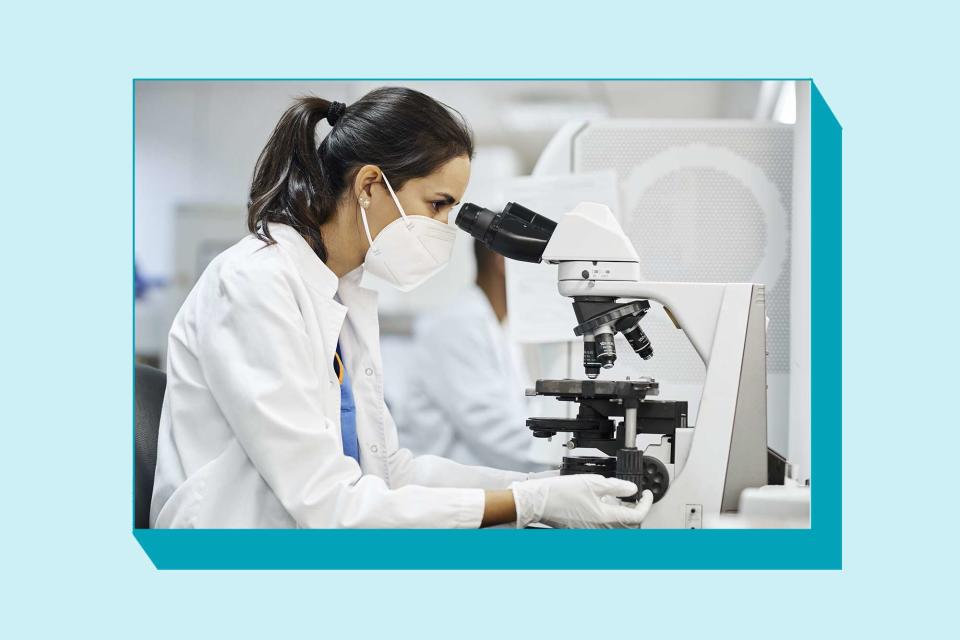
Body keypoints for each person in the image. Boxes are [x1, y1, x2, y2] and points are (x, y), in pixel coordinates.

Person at [149, 87, 653, 529]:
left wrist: (540, 485)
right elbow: (329, 505)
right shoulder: (254, 283)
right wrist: (528, 502)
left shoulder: (344, 292)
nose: (444, 226)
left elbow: (389, 471)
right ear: (370, 186)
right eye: (437, 204)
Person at [396, 239, 545, 472]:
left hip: (478, 483)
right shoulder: (457, 325)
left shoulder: (499, 327)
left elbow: (519, 417)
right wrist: (564, 458)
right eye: (543, 261)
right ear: (503, 262)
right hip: (440, 491)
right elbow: (494, 433)